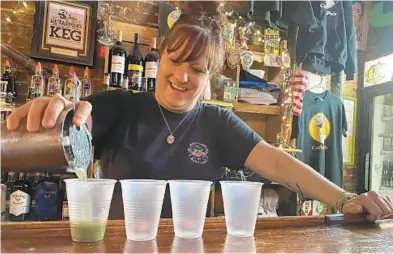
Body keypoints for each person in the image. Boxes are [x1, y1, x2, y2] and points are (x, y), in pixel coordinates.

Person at [6, 2, 393, 221]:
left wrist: (344, 198)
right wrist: (60, 115)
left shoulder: (216, 121)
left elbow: (278, 164)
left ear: (210, 76)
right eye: (175, 60)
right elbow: (82, 120)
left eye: (198, 69)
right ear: (162, 56)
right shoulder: (120, 104)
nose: (181, 77)